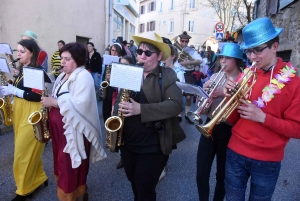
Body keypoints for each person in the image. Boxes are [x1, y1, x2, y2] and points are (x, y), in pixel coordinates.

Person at [224, 17, 300, 200]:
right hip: (235, 152)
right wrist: (229, 99)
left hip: (268, 161)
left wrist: (263, 117)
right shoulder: (246, 75)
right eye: (249, 51)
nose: (251, 57)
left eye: (258, 50)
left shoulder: (294, 82)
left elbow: (297, 129)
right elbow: (232, 119)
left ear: (275, 47)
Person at [114, 32, 186, 200]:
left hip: (154, 144)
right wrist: (118, 110)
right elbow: (119, 99)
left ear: (159, 56)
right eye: (139, 52)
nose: (142, 57)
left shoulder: (167, 75)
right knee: (134, 182)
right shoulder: (131, 71)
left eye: (148, 53)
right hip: (129, 141)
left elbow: (175, 105)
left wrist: (141, 109)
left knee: (145, 187)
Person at [41, 42, 107, 201]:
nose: (62, 62)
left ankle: (72, 195)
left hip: (73, 129)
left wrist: (55, 103)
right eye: (62, 58)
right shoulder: (63, 75)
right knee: (61, 162)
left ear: (77, 60)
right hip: (60, 130)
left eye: (67, 59)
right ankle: (73, 192)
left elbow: (82, 104)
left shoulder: (83, 76)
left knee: (69, 164)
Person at [1, 39, 48, 201]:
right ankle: (40, 178)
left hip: (32, 115)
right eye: (18, 51)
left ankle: (24, 190)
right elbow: (24, 89)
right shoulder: (24, 69)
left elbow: (36, 96)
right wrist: (12, 90)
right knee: (29, 152)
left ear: (32, 53)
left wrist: (14, 90)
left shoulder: (35, 71)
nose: (18, 54)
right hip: (21, 113)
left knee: (22, 155)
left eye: (22, 51)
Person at [196, 43, 245, 201]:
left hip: (229, 131)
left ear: (237, 59)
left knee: (222, 175)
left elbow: (243, 105)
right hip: (209, 125)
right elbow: (202, 108)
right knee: (201, 172)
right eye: (221, 57)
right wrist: (203, 94)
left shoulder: (243, 78)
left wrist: (223, 95)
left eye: (227, 58)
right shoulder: (215, 76)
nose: (222, 61)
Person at [174, 31, 202, 124]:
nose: (184, 43)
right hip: (177, 74)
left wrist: (188, 63)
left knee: (189, 97)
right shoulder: (175, 49)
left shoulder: (191, 51)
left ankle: (187, 114)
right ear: (180, 40)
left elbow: (200, 60)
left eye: (186, 41)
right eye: (182, 41)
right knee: (177, 95)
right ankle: (177, 114)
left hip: (188, 74)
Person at [163, 44, 185, 123]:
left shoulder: (179, 72)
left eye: (166, 56)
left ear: (173, 56)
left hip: (171, 105)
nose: (163, 59)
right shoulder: (160, 70)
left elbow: (181, 90)